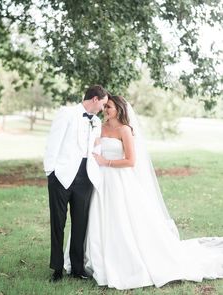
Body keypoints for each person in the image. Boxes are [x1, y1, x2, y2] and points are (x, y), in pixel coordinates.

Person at [65, 95, 223, 290]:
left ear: (120, 109)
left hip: (119, 181)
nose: (105, 110)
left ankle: (123, 261)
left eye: (110, 107)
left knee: (121, 220)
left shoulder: (125, 130)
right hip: (99, 181)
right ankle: (92, 259)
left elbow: (131, 161)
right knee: (96, 219)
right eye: (105, 107)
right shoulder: (99, 126)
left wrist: (107, 162)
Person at [43, 85, 108, 282]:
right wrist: (51, 173)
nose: (103, 109)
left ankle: (77, 268)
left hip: (85, 179)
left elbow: (95, 149)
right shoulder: (67, 113)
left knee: (80, 224)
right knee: (58, 224)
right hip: (61, 177)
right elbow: (53, 142)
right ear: (95, 99)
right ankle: (57, 269)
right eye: (103, 104)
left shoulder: (96, 121)